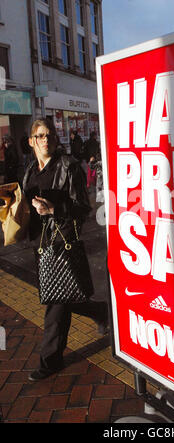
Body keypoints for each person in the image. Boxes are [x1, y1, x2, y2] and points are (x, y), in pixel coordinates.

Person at [23, 119, 108, 382]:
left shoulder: (68, 167)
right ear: (31, 141)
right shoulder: (29, 171)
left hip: (62, 240)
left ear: (55, 139)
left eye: (49, 135)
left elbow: (83, 206)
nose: (45, 139)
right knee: (61, 293)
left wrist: (54, 210)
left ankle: (50, 360)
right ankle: (100, 311)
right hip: (40, 242)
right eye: (39, 135)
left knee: (55, 304)